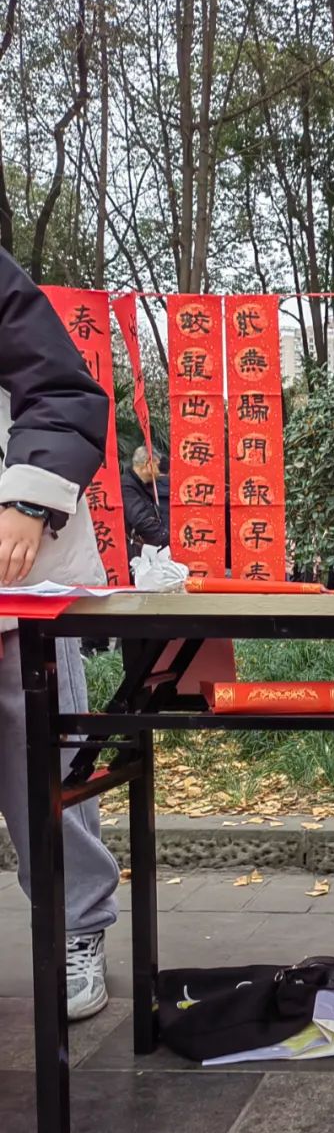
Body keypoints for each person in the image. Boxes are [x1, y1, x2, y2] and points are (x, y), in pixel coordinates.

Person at [0, 247, 120, 1018]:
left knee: (42, 756)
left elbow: (64, 394)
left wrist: (28, 501)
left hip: (13, 563)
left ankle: (78, 926)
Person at [121, 444, 168, 557]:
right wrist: (165, 539)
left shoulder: (145, 485)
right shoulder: (127, 487)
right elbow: (141, 520)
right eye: (158, 466)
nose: (161, 471)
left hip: (148, 549)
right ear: (149, 464)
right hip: (136, 553)